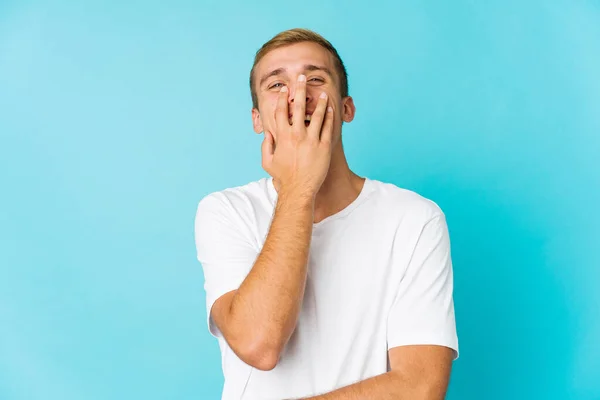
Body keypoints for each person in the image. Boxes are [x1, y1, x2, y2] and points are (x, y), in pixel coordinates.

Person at [194, 28, 459, 400]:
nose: (297, 95)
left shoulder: (415, 219)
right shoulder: (226, 211)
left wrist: (300, 180)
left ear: (347, 108)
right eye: (276, 84)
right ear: (257, 119)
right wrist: (299, 186)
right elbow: (260, 344)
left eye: (315, 79)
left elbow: (419, 387)